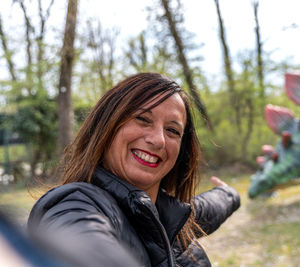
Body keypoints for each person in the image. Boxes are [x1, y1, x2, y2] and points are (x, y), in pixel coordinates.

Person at [27, 73, 240, 266]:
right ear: (107, 125)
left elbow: (205, 209)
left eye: (173, 130)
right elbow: (80, 242)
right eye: (142, 119)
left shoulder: (164, 213)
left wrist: (228, 194)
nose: (158, 140)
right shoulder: (75, 206)